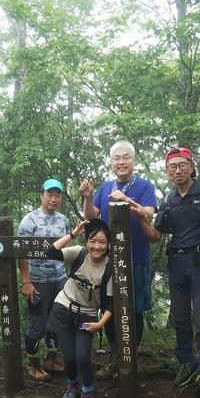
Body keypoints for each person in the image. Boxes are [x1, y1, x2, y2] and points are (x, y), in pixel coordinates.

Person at [129, 146, 200, 398]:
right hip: (177, 266)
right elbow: (155, 236)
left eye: (182, 165)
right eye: (172, 167)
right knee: (182, 320)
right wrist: (141, 216)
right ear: (167, 171)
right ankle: (186, 362)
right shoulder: (169, 201)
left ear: (192, 166)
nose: (177, 170)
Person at [78, 140, 157, 379]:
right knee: (109, 306)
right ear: (111, 162)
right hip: (110, 260)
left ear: (134, 160)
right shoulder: (105, 186)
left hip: (137, 258)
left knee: (136, 309)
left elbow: (149, 214)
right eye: (116, 158)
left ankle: (130, 355)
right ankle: (116, 356)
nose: (121, 162)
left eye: (126, 157)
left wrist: (127, 201)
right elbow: (91, 218)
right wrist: (89, 197)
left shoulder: (145, 186)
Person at [45, 218, 113, 398]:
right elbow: (51, 252)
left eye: (102, 242)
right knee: (68, 356)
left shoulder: (110, 268)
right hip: (63, 308)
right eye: (93, 241)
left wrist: (100, 323)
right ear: (86, 243)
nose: (97, 246)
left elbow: (110, 304)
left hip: (87, 314)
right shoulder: (79, 253)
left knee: (82, 356)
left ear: (108, 244)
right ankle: (72, 384)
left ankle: (87, 394)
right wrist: (73, 233)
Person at [17, 178, 71, 381]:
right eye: (50, 194)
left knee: (56, 321)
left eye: (58, 195)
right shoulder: (29, 221)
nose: (54, 199)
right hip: (37, 280)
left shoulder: (63, 220)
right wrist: (26, 282)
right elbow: (20, 253)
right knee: (37, 324)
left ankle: (51, 359)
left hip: (59, 279)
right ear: (41, 195)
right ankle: (33, 364)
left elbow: (67, 249)